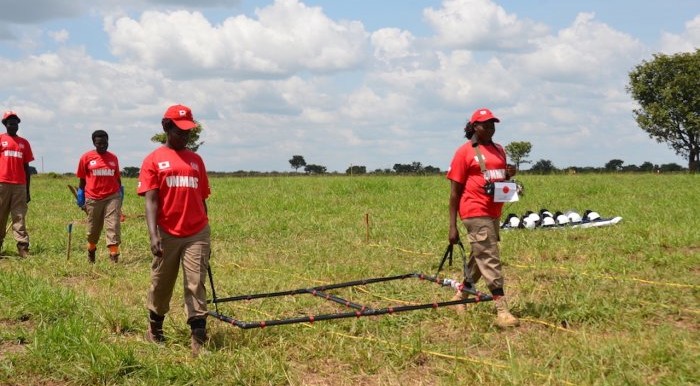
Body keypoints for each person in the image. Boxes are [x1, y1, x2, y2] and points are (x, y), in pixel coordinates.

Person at [138, 104, 211, 356]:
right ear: (166, 127)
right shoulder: (153, 160)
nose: (186, 136)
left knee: (195, 283)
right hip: (167, 232)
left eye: (189, 131)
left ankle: (198, 339)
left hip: (197, 232)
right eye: (180, 131)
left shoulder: (196, 160)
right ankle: (155, 330)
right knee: (161, 283)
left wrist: (205, 230)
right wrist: (153, 234)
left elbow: (202, 198)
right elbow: (151, 200)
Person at [446, 107, 519, 328]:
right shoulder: (464, 152)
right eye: (485, 124)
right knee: (489, 256)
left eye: (493, 124)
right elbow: (454, 192)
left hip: (494, 210)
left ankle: (460, 296)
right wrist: (452, 226)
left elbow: (497, 176)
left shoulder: (499, 149)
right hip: (474, 210)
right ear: (473, 127)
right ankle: (502, 309)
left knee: (480, 256)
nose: (490, 128)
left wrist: (508, 175)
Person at [76, 130, 123, 263]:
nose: (102, 145)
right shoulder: (86, 158)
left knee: (113, 226)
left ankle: (114, 256)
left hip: (112, 196)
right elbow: (82, 180)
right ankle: (91, 250)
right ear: (94, 143)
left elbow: (117, 178)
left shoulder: (113, 158)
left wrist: (120, 193)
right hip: (93, 198)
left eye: (105, 142)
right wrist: (81, 195)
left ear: (108, 142)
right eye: (99, 143)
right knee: (93, 230)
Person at [0, 111, 34, 258]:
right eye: (9, 122)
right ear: (5, 124)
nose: (12, 125)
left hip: (19, 185)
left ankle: (23, 247)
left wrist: (27, 190)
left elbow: (26, 168)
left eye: (15, 122)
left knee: (19, 216)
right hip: (2, 184)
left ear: (18, 125)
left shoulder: (24, 143)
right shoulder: (1, 140)